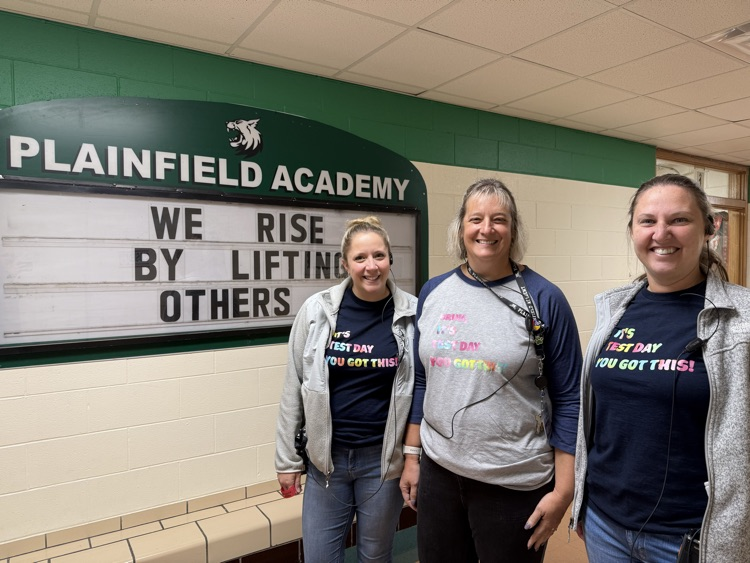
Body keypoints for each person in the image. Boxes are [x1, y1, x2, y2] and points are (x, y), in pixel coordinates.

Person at [400, 178, 582, 562]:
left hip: (513, 483)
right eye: (476, 218)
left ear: (512, 228)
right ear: (461, 228)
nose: (486, 229)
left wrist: (564, 490)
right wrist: (412, 457)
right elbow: (422, 381)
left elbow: (570, 397)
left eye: (498, 219)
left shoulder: (545, 298)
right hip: (439, 474)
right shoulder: (434, 292)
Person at [571, 173, 750, 562]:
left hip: (693, 537)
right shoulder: (614, 311)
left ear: (709, 228)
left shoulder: (743, 318)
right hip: (606, 524)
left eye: (679, 220)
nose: (661, 233)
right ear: (633, 230)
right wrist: (583, 500)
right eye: (648, 221)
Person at [275, 216, 417, 563]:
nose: (371, 267)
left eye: (379, 256)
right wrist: (286, 460)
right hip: (326, 463)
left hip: (382, 464)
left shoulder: (412, 315)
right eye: (361, 258)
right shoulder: (316, 311)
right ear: (345, 263)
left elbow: (422, 392)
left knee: (375, 556)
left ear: (390, 259)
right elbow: (294, 385)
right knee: (320, 557)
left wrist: (415, 457)